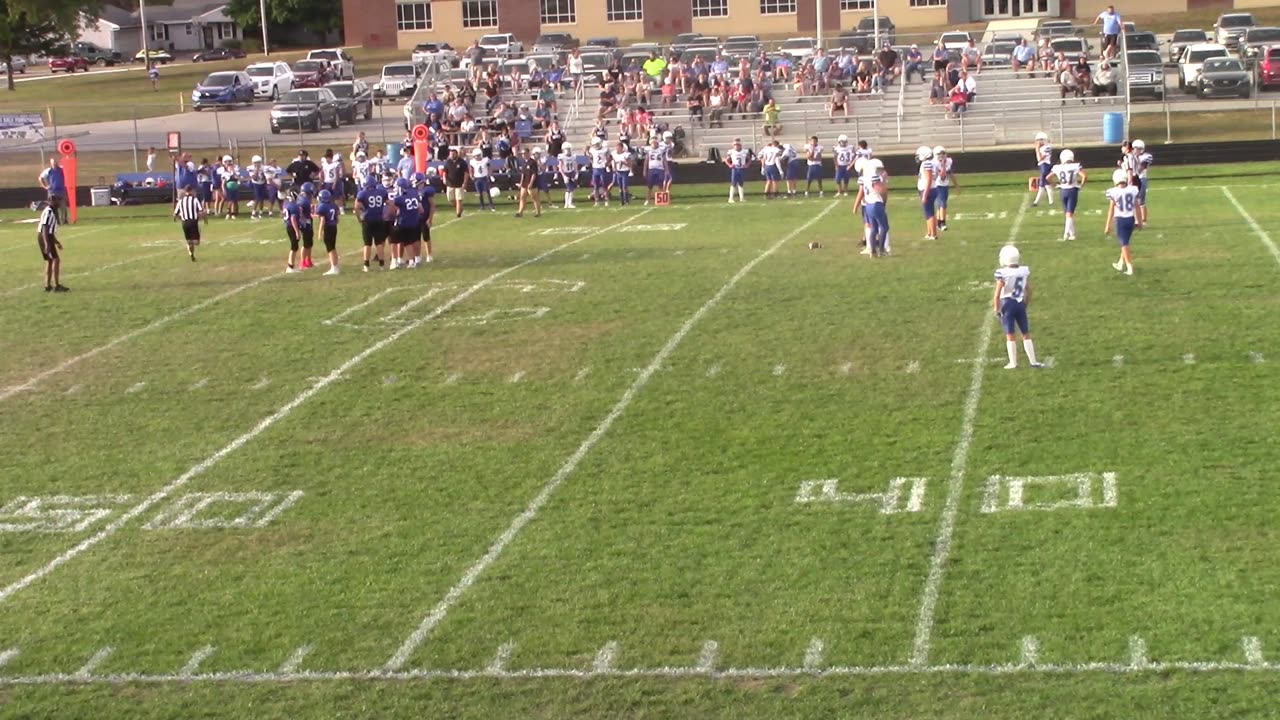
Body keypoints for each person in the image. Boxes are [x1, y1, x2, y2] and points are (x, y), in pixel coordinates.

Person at [992, 244, 1044, 370]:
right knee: (1025, 333)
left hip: (1007, 304)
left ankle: (1013, 362)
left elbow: (997, 294)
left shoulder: (1003, 273)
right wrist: (1025, 303)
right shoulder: (1023, 271)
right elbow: (1029, 291)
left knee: (1010, 334)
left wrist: (996, 309)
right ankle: (1033, 361)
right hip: (1020, 303)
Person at [1104, 168, 1141, 276]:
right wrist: (1139, 221)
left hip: (1120, 220)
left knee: (1124, 244)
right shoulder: (1133, 189)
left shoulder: (1113, 192)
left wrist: (1107, 225)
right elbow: (1137, 207)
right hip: (1130, 218)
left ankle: (1129, 267)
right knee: (1125, 242)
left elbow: (1111, 209)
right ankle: (1120, 263)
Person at [355, 174, 389, 271]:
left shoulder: (362, 193)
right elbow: (390, 204)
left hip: (368, 220)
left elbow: (356, 207)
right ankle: (382, 265)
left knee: (367, 244)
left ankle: (366, 265)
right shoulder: (382, 192)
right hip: (379, 219)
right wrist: (386, 214)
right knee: (379, 243)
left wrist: (359, 218)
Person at [852, 170, 889, 258]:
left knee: (873, 228)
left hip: (868, 204)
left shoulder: (864, 178)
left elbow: (862, 192)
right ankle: (881, 250)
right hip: (876, 203)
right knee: (884, 227)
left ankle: (872, 251)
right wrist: (884, 201)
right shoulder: (873, 177)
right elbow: (881, 191)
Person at [1051, 148, 1085, 241]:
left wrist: (1055, 185)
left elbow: (1047, 177)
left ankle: (1072, 234)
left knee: (1067, 214)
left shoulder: (1057, 167)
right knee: (1069, 214)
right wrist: (1080, 185)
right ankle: (1066, 234)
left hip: (1062, 190)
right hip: (1072, 190)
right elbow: (1084, 176)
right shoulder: (1075, 166)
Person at [388, 178, 422, 269]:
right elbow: (421, 209)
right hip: (414, 222)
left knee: (395, 241)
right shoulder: (414, 194)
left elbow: (392, 210)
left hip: (403, 222)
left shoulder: (399, 199)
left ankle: (396, 261)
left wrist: (396, 213)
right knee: (410, 242)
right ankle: (413, 260)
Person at [38, 195, 67, 292]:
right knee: (56, 260)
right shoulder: (49, 212)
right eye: (58, 201)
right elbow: (45, 229)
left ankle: (47, 285)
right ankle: (56, 285)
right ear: (52, 201)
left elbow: (49, 231)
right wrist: (47, 245)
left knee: (50, 260)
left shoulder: (51, 211)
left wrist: (56, 242)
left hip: (47, 237)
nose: (59, 203)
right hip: (45, 237)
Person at [173, 184, 206, 262]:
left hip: (184, 223)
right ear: (191, 191)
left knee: (189, 241)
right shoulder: (195, 200)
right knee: (196, 242)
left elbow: (175, 214)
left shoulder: (180, 201)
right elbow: (201, 211)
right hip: (193, 222)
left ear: (185, 191)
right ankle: (190, 245)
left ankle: (191, 253)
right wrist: (203, 218)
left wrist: (180, 218)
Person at [411, 172, 436, 266]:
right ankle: (417, 256)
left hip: (424, 216)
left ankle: (429, 254)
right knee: (415, 237)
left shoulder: (427, 190)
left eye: (414, 180)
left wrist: (430, 218)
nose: (413, 182)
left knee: (426, 236)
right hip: (414, 217)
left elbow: (432, 205)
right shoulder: (413, 190)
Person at [314, 189, 341, 275]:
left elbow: (322, 220)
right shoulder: (333, 205)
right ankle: (335, 266)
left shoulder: (322, 207)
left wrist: (319, 232)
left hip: (328, 228)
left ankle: (334, 267)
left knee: (330, 249)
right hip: (333, 227)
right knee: (333, 247)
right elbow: (337, 218)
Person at [916, 146, 938, 240]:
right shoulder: (931, 163)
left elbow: (928, 179)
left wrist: (925, 194)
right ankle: (929, 232)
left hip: (928, 189)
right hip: (931, 188)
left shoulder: (927, 163)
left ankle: (933, 234)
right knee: (928, 212)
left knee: (929, 212)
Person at [931, 146, 956, 231]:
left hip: (945, 185)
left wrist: (956, 184)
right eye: (939, 154)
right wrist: (942, 165)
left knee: (940, 205)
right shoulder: (934, 163)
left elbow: (949, 173)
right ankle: (942, 223)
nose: (941, 156)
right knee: (942, 204)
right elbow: (941, 175)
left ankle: (938, 223)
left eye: (943, 153)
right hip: (937, 185)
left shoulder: (948, 161)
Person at [38, 158, 68, 224]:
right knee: (53, 207)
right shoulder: (48, 170)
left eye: (56, 162)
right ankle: (56, 221)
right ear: (51, 163)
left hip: (61, 191)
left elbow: (68, 170)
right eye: (53, 162)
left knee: (63, 207)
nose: (55, 163)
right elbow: (40, 178)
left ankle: (64, 220)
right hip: (52, 192)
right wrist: (45, 186)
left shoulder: (62, 169)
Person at [442, 147, 468, 218]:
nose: (452, 155)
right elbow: (445, 172)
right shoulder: (448, 162)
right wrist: (444, 179)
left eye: (453, 154)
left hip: (459, 184)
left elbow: (466, 173)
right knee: (451, 199)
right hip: (450, 184)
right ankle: (460, 209)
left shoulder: (462, 162)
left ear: (456, 154)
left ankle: (458, 214)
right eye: (451, 154)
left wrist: (465, 182)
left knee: (458, 200)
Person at [516, 147, 541, 218]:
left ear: (528, 154)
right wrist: (521, 183)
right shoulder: (524, 163)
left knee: (534, 198)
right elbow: (523, 174)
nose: (523, 155)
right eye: (522, 154)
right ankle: (520, 212)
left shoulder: (532, 162)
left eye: (524, 153)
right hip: (524, 183)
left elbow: (534, 174)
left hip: (531, 184)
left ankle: (538, 212)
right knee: (522, 198)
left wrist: (531, 183)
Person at [642, 136, 668, 206]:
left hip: (660, 169)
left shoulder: (661, 150)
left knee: (660, 185)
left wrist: (666, 170)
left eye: (655, 143)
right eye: (652, 143)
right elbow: (646, 161)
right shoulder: (649, 150)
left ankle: (660, 200)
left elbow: (664, 160)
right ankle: (647, 200)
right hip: (651, 169)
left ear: (657, 143)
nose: (653, 144)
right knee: (649, 186)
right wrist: (644, 170)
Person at [1131, 139, 1152, 224]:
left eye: (1137, 148)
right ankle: (1136, 220)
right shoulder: (1131, 156)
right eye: (1135, 148)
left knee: (1141, 200)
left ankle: (1143, 220)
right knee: (1134, 200)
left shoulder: (1146, 156)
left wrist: (1133, 174)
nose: (1136, 150)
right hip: (1133, 179)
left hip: (1141, 179)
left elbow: (1141, 167)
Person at [1032, 132, 1054, 207]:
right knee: (1045, 184)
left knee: (1043, 185)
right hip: (1043, 166)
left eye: (1039, 140)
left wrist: (1037, 150)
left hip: (1045, 166)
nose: (1037, 142)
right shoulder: (1043, 147)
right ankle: (1050, 202)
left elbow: (1040, 159)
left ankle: (1036, 202)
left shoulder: (1046, 147)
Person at [468, 147, 494, 212]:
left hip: (484, 177)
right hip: (477, 178)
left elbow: (489, 167)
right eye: (475, 156)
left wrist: (490, 175)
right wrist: (471, 176)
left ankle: (491, 206)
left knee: (487, 192)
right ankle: (482, 206)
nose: (477, 157)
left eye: (478, 155)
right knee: (479, 193)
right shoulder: (472, 162)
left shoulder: (485, 160)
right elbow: (471, 169)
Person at [724, 137, 749, 204]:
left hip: (741, 168)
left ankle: (741, 197)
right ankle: (731, 198)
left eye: (737, 145)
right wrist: (729, 165)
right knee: (733, 183)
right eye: (735, 145)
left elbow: (749, 159)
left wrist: (747, 165)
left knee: (741, 183)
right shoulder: (731, 152)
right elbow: (726, 160)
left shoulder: (745, 151)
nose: (736, 146)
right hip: (735, 169)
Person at [609, 141, 633, 206]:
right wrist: (615, 169)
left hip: (625, 171)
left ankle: (627, 201)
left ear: (622, 148)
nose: (617, 149)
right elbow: (613, 161)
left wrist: (623, 162)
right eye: (617, 147)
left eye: (618, 147)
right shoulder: (614, 154)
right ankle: (621, 201)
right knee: (620, 187)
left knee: (624, 187)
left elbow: (630, 164)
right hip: (618, 172)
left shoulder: (626, 154)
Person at [588, 138, 610, 207]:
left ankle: (606, 200)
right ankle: (596, 201)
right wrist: (592, 163)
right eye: (595, 144)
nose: (596, 146)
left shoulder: (605, 149)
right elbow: (590, 157)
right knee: (595, 186)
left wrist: (606, 164)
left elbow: (609, 158)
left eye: (597, 144)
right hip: (595, 169)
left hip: (602, 169)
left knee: (604, 186)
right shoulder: (592, 150)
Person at [247, 155, 269, 220]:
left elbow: (266, 176)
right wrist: (257, 169)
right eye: (256, 162)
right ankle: (253, 213)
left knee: (262, 199)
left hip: (262, 183)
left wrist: (266, 182)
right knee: (257, 198)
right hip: (255, 184)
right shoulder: (251, 168)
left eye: (259, 162)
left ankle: (260, 213)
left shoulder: (263, 167)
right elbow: (254, 178)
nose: (258, 164)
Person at [559, 141, 579, 209]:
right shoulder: (562, 156)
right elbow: (560, 167)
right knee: (568, 188)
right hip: (566, 173)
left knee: (571, 189)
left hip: (571, 172)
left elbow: (575, 165)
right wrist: (564, 176)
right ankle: (566, 203)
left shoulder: (573, 156)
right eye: (566, 149)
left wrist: (576, 173)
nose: (568, 151)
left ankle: (569, 203)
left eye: (569, 149)